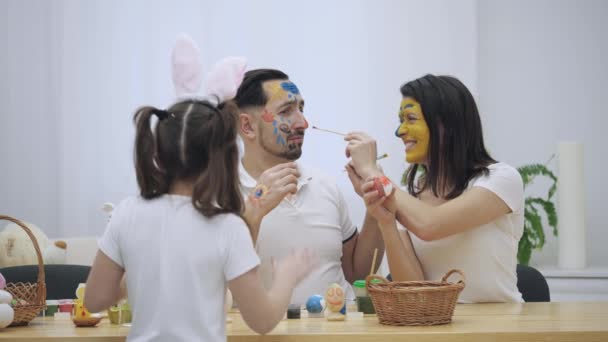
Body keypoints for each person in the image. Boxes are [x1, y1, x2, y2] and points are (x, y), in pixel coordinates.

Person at [84, 98, 317, 341]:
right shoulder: (228, 226)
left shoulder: (127, 212)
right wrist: (287, 276)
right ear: (223, 159)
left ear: (158, 153)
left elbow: (94, 300)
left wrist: (138, 273)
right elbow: (262, 321)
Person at [345, 74, 524, 303]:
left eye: (410, 118)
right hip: (437, 327)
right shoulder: (405, 197)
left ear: (447, 125)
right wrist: (386, 221)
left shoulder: (501, 179)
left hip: (499, 330)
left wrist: (372, 173)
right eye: (401, 121)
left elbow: (431, 225)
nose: (400, 131)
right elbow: (414, 295)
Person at [233, 69, 385, 304]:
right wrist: (254, 210)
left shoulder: (324, 185)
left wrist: (375, 209)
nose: (303, 123)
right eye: (286, 111)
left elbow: (358, 274)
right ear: (247, 126)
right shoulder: (220, 194)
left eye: (301, 109)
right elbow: (213, 290)